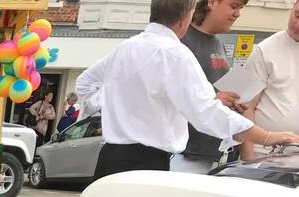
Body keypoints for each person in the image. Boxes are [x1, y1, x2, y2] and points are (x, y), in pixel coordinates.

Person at [75, 0, 299, 177]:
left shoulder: (125, 47)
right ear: (185, 17)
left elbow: (84, 84)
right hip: (148, 161)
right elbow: (208, 112)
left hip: (110, 155)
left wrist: (116, 105)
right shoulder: (176, 53)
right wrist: (267, 136)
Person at [177, 0, 249, 172]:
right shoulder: (181, 40)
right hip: (186, 154)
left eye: (240, 8)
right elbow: (169, 96)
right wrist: (215, 99)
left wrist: (236, 102)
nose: (238, 13)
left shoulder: (218, 44)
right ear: (211, 3)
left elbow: (220, 94)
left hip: (217, 153)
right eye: (234, 6)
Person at [239, 0, 299, 160]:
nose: (298, 25)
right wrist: (249, 160)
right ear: (294, 5)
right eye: (297, 15)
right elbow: (242, 107)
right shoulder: (262, 49)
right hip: (266, 157)